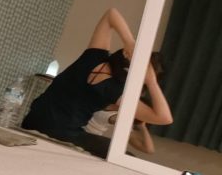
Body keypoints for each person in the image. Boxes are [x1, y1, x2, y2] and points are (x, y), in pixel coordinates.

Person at [21, 9, 172, 158]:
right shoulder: (115, 90)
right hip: (62, 134)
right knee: (125, 156)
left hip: (32, 120)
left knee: (112, 150)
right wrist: (152, 82)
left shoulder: (94, 56)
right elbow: (164, 118)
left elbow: (111, 14)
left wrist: (130, 42)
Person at [81, 53, 166, 155]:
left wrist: (141, 124)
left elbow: (148, 149)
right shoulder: (113, 90)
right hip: (81, 136)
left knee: (126, 154)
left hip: (86, 139)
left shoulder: (119, 115)